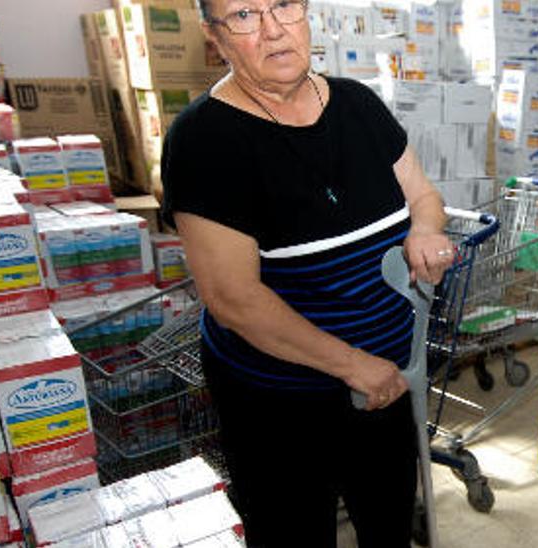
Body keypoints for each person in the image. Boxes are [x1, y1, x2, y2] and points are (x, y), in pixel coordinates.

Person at [160, 0, 456, 544]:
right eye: (245, 15)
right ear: (216, 37)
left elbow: (424, 196)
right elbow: (233, 299)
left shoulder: (358, 104)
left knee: (387, 525)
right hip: (279, 405)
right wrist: (352, 365)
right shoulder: (203, 141)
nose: (274, 28)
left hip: (385, 383)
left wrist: (428, 229)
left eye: (284, 6)